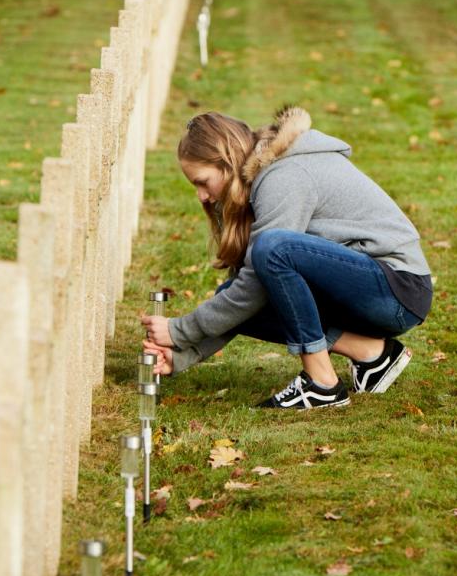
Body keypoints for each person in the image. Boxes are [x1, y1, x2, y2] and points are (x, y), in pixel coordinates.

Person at [141, 106, 432, 410]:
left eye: (202, 181)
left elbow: (259, 277)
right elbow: (243, 294)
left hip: (398, 290)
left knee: (273, 249)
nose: (201, 195)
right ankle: (372, 355)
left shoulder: (283, 176)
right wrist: (181, 354)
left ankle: (322, 384)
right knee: (239, 289)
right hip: (370, 290)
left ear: (228, 161)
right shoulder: (262, 176)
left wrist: (179, 330)